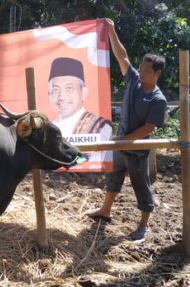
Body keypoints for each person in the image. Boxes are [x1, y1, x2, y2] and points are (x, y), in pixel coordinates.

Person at [86, 18, 168, 242]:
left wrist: (125, 141)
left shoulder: (157, 99)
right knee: (113, 178)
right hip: (120, 144)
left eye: (145, 70)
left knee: (141, 186)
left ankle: (143, 225)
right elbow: (122, 56)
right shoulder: (133, 80)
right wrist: (111, 30)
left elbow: (148, 128)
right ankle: (105, 211)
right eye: (140, 68)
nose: (140, 72)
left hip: (137, 149)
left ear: (157, 72)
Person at [48, 57, 112, 162]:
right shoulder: (49, 127)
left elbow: (96, 163)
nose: (61, 96)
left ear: (83, 92)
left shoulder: (100, 127)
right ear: (49, 95)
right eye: (55, 90)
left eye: (69, 88)